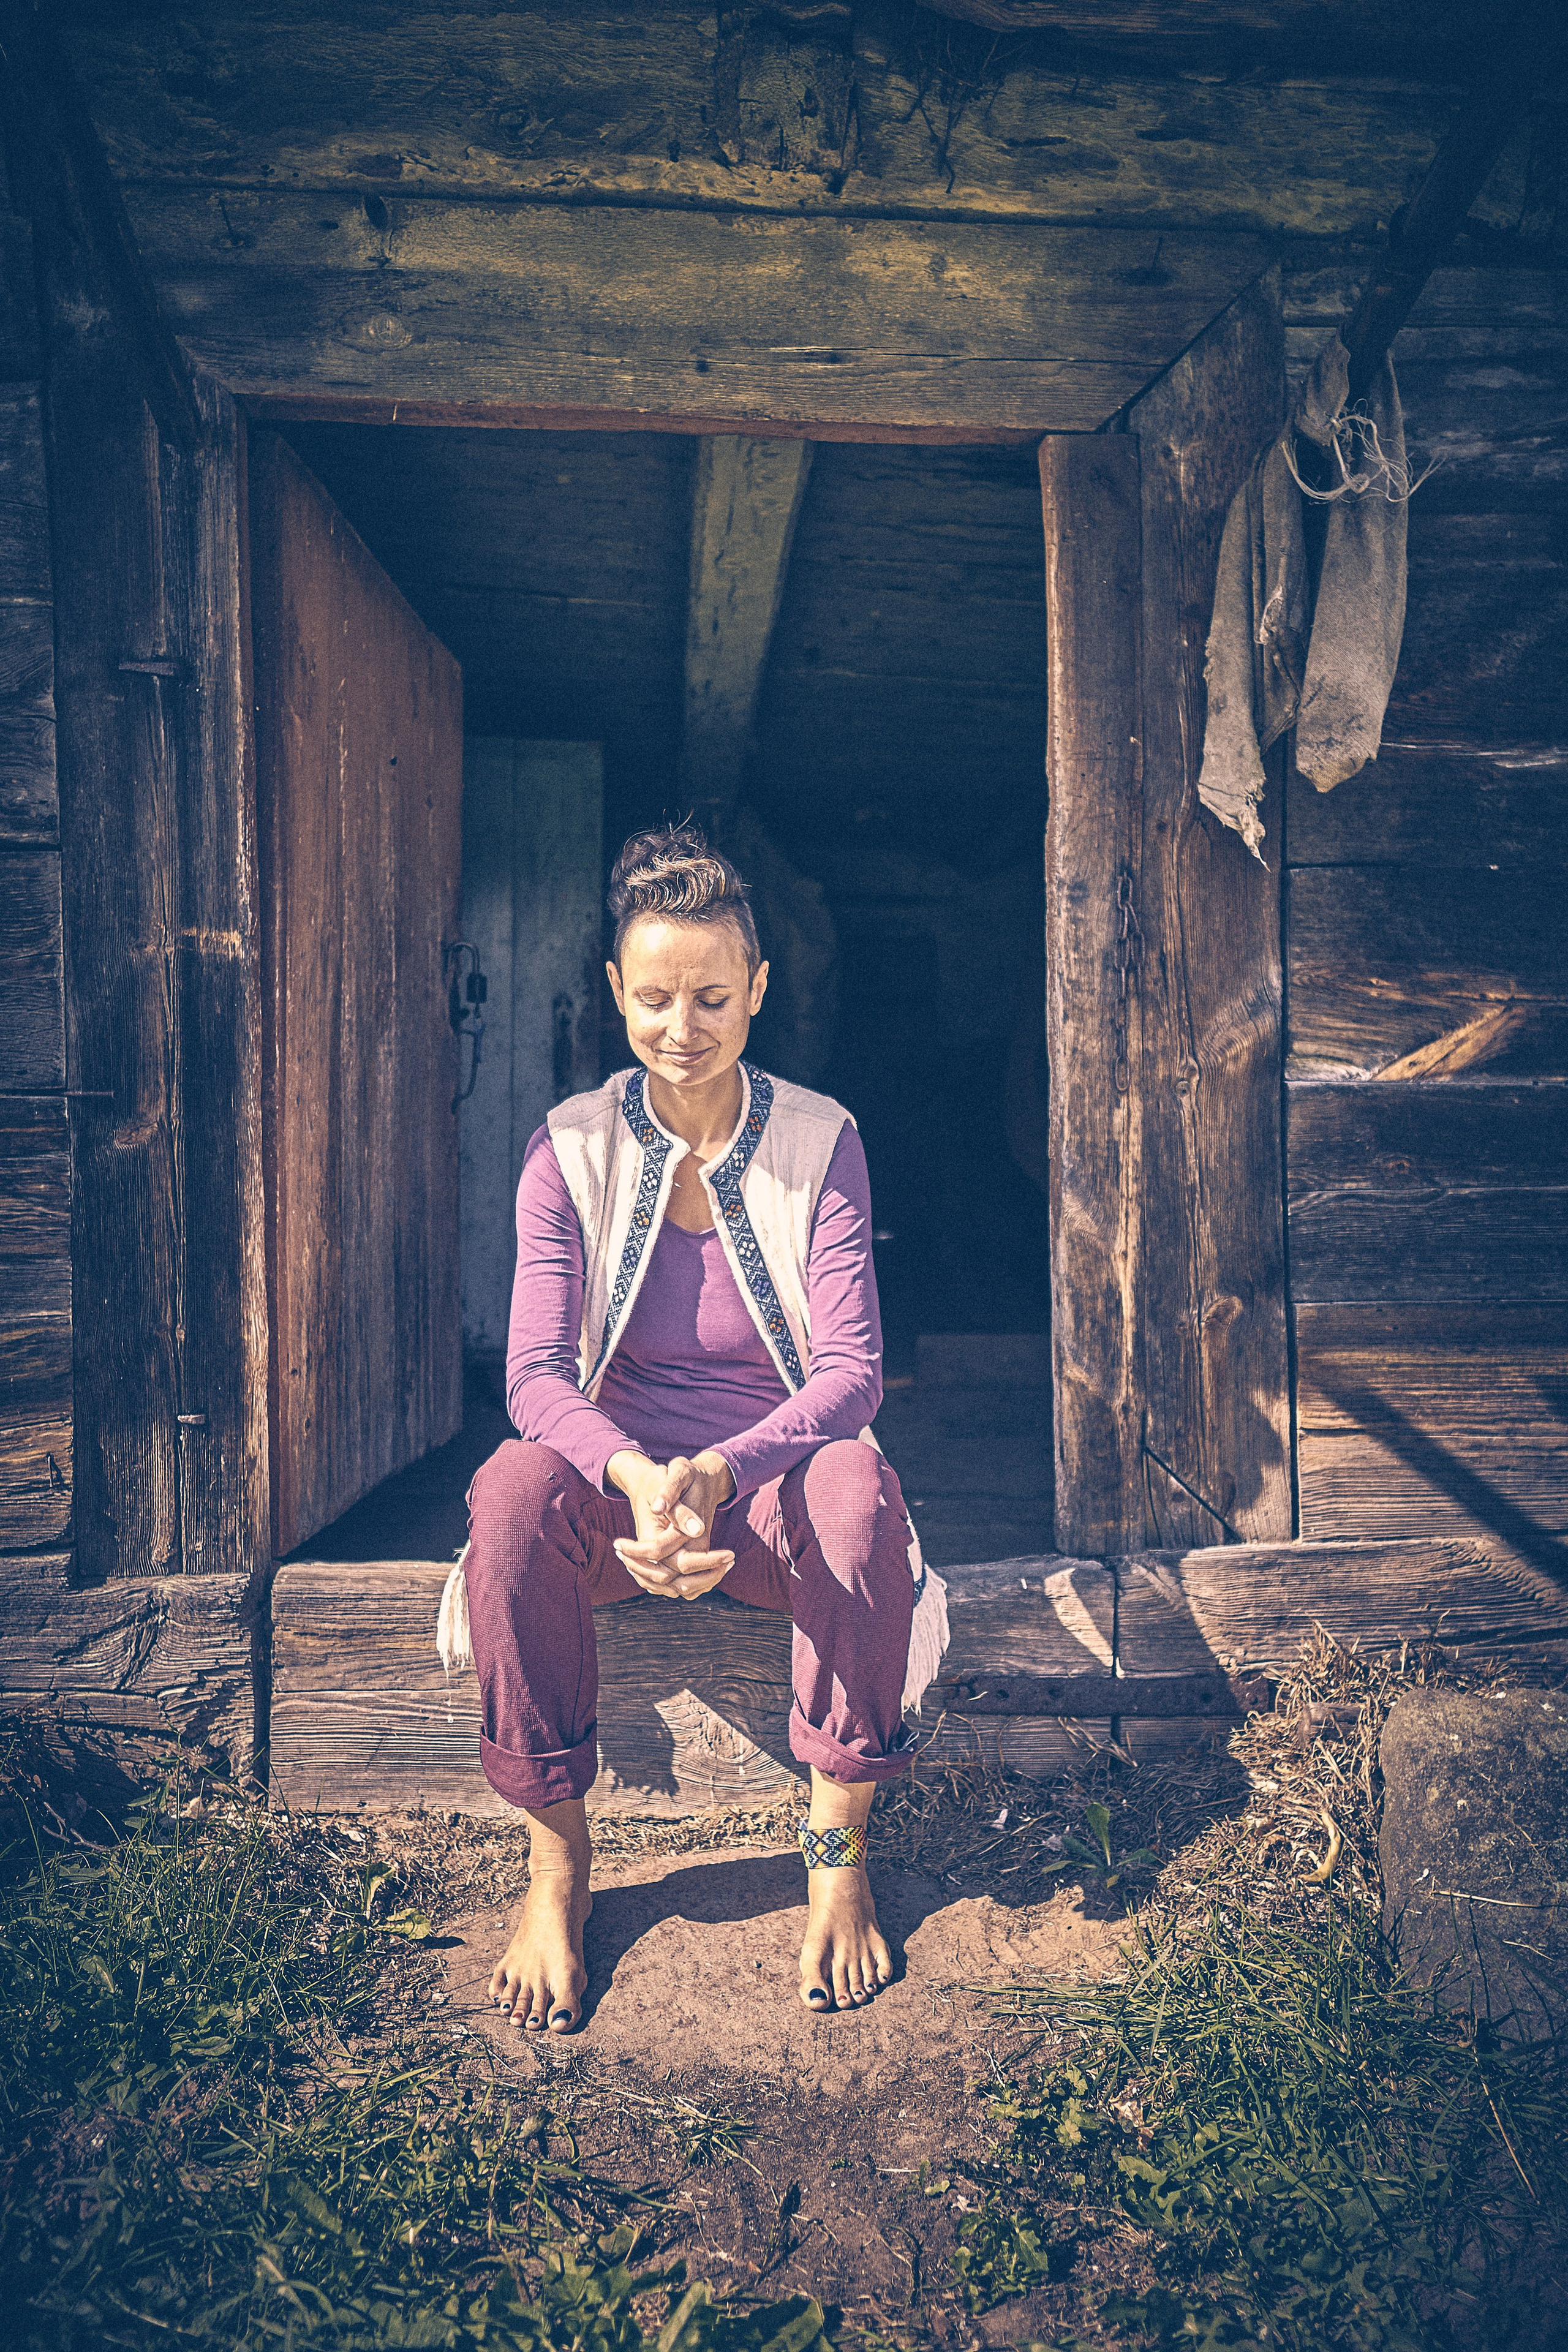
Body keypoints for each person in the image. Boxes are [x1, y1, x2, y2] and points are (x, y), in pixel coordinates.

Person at [459, 823, 946, 2034]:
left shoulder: (819, 1142)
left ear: (760, 992)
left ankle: (830, 1861)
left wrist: (722, 1473)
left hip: (764, 1497)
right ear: (616, 992)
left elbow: (851, 1373)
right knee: (509, 1495)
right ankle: (558, 1865)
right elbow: (529, 1376)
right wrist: (633, 1476)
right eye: (658, 997)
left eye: (714, 997)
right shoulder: (564, 1150)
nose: (684, 1027)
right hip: (615, 1510)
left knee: (853, 1495)